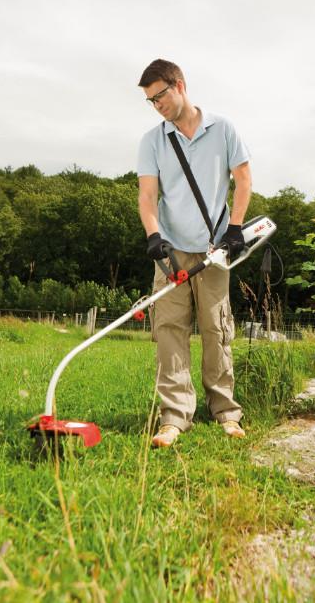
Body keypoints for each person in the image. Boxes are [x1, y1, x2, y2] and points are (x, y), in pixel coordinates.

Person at [137, 59, 252, 447]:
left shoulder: (223, 129)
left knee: (216, 329)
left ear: (180, 85)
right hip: (170, 253)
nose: (158, 105)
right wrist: (154, 237)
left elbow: (243, 179)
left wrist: (235, 227)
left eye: (161, 96)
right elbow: (148, 195)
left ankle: (225, 412)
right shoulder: (153, 141)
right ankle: (174, 417)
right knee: (169, 331)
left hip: (214, 250)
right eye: (151, 101)